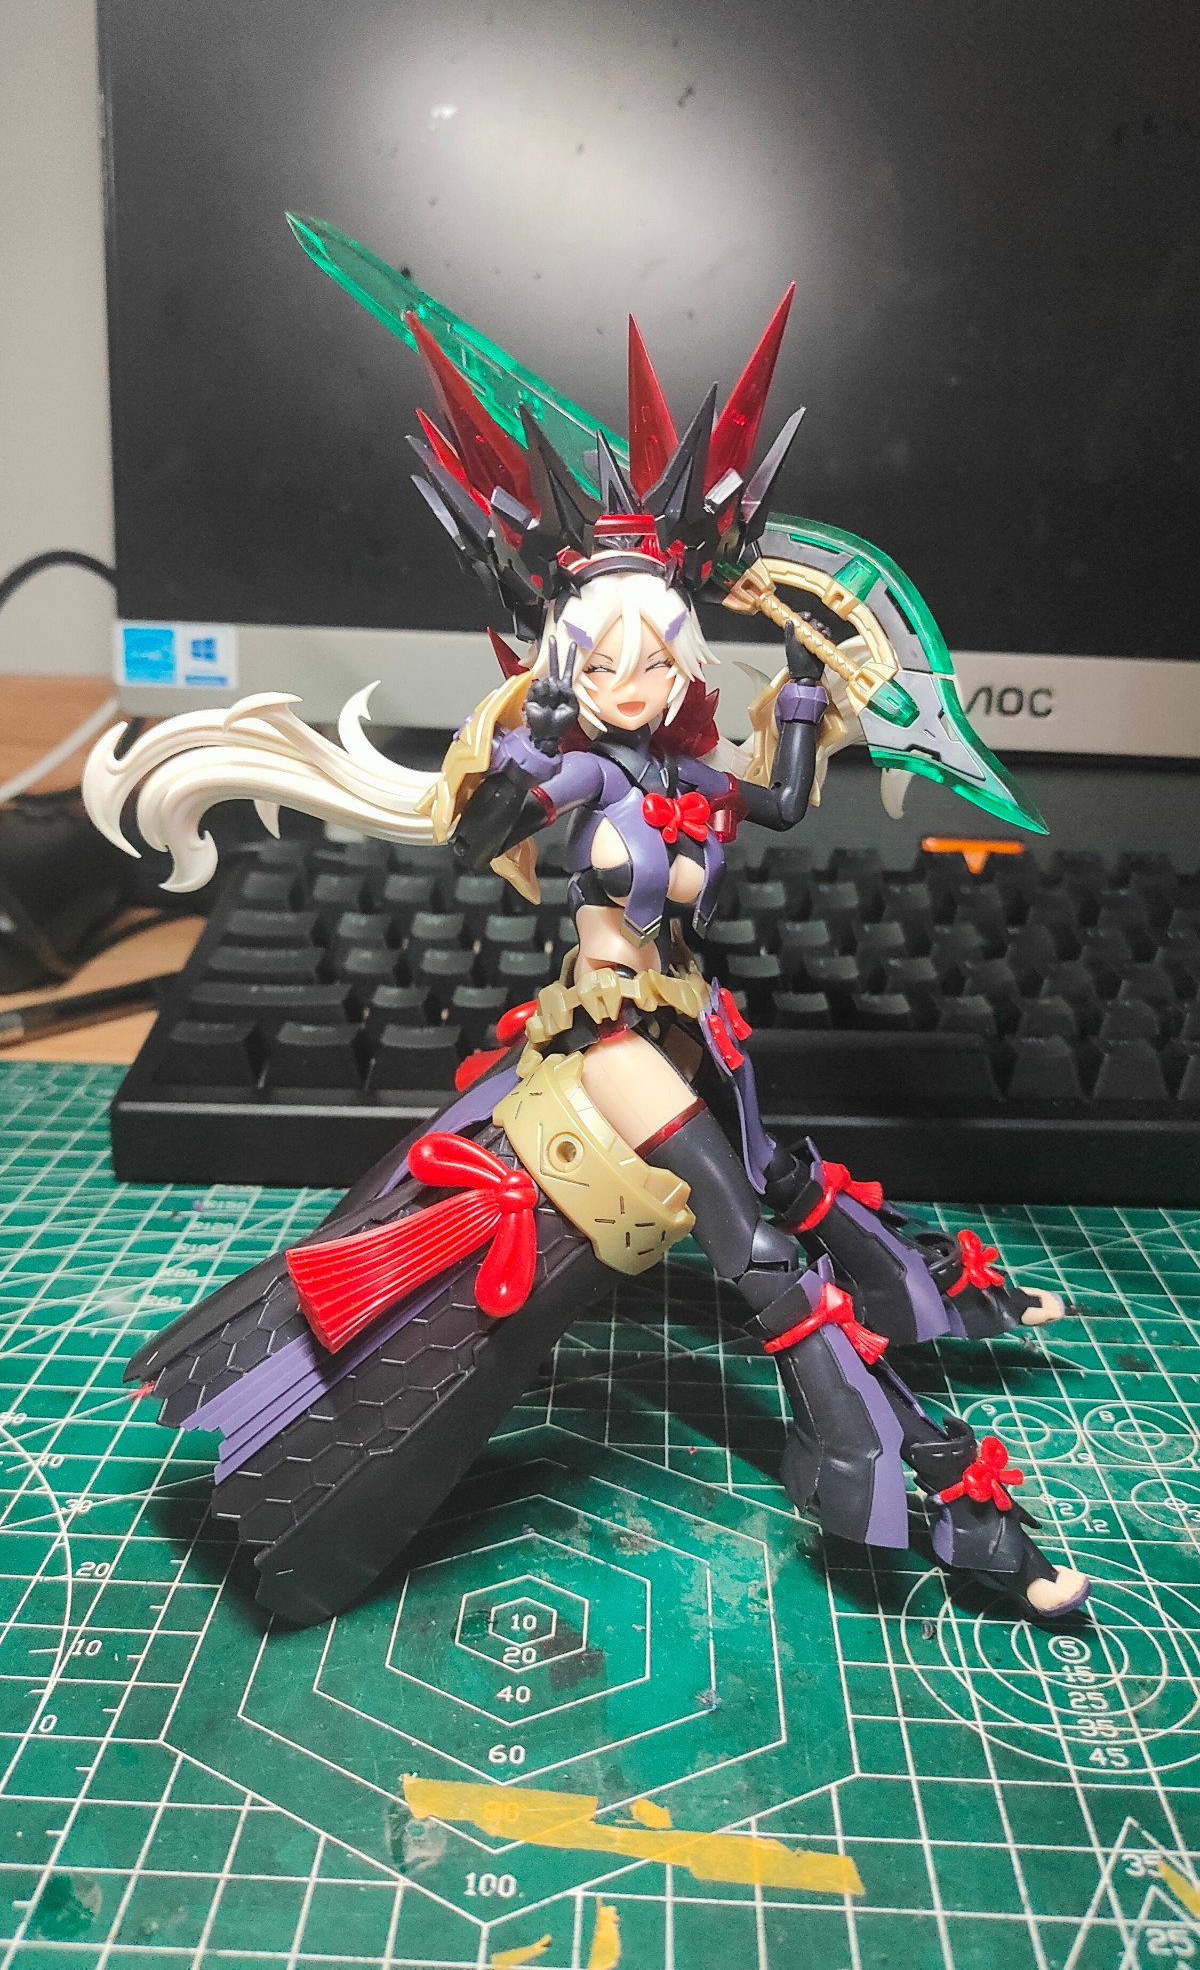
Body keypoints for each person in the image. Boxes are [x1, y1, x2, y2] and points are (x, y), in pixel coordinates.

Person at [84, 290, 1087, 1626]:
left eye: (651, 659)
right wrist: (528, 734)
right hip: (607, 1037)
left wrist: (805, 691)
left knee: (780, 1175)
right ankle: (922, 1485)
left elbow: (780, 802)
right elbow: (488, 825)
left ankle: (927, 1295)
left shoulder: (680, 773)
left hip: (688, 1016)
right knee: (748, 1237)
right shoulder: (572, 769)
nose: (629, 682)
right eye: (600, 663)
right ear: (567, 664)